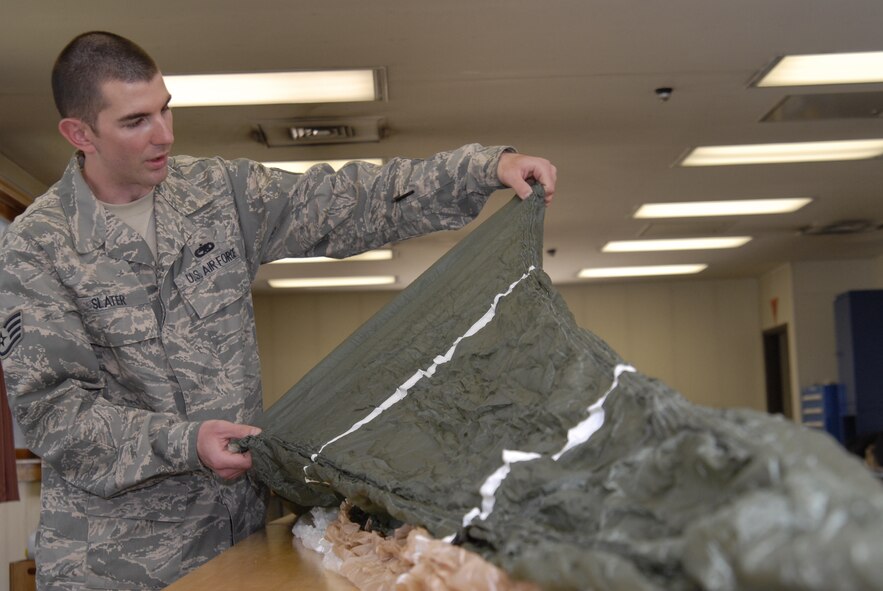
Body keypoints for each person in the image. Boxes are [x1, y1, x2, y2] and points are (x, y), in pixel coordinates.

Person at [0, 31, 556, 590]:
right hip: (113, 563)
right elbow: (55, 415)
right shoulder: (38, 247)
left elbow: (346, 200)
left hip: (239, 537)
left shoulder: (215, 194)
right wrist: (185, 442)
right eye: (135, 121)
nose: (164, 134)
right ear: (79, 134)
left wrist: (482, 168)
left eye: (165, 109)